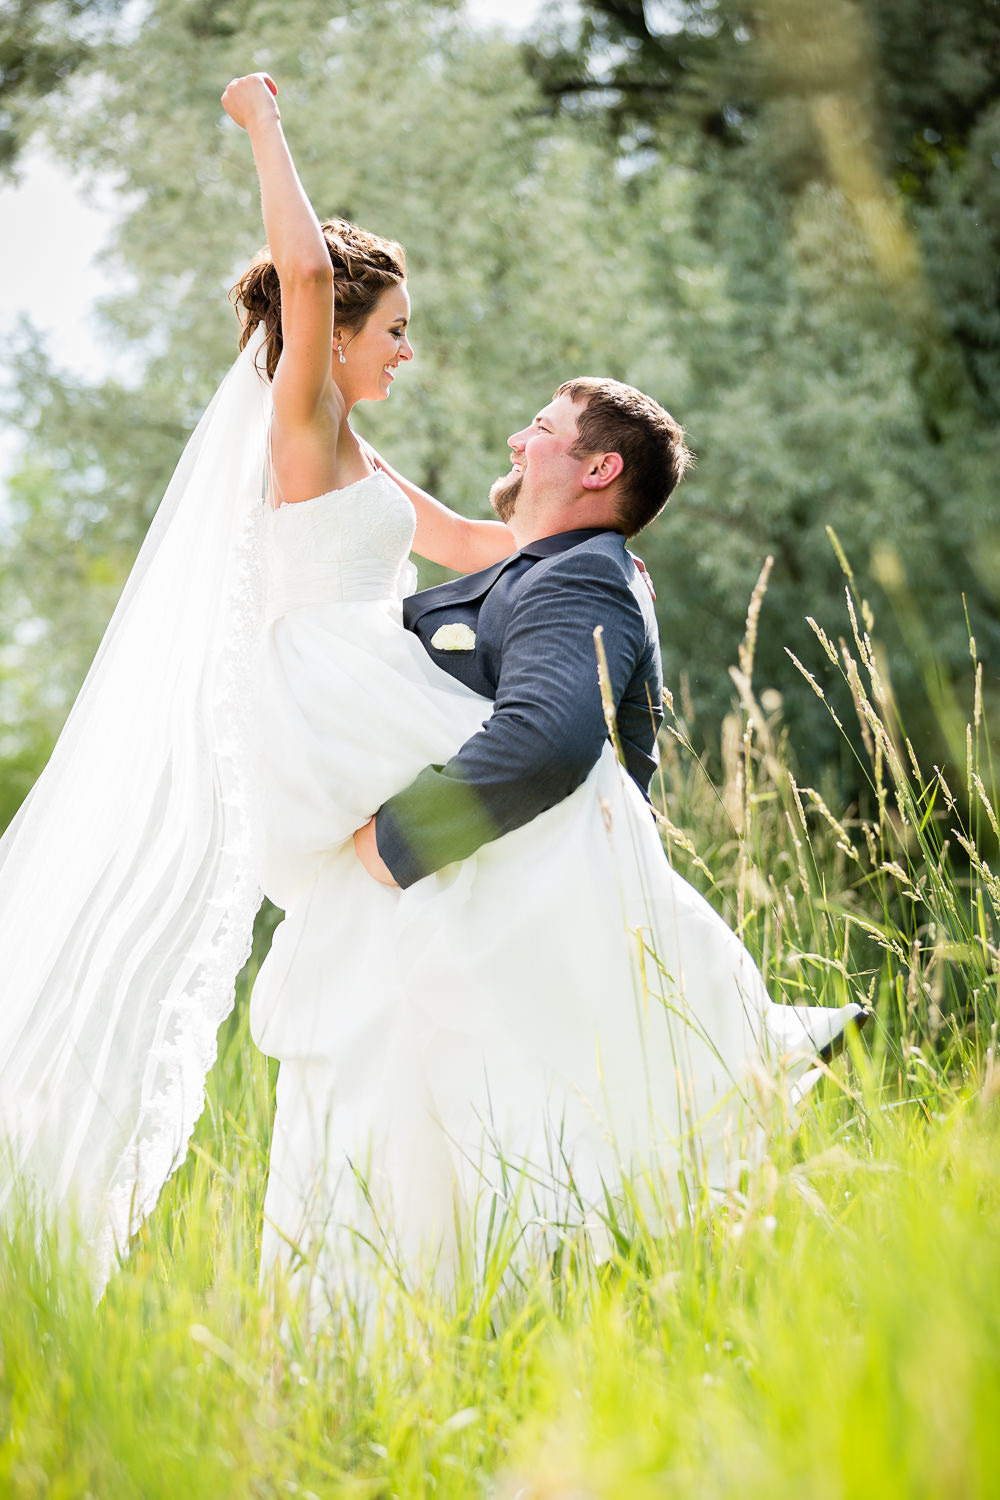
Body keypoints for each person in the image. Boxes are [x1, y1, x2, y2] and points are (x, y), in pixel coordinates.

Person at [0, 73, 862, 1301]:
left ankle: (608, 1096)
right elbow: (304, 275)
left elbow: (470, 542)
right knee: (568, 807)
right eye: (394, 326)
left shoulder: (358, 457)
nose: (408, 350)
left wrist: (609, 561)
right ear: (335, 335)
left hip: (371, 679)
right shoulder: (296, 419)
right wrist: (263, 122)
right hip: (330, 687)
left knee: (556, 827)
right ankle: (717, 1055)